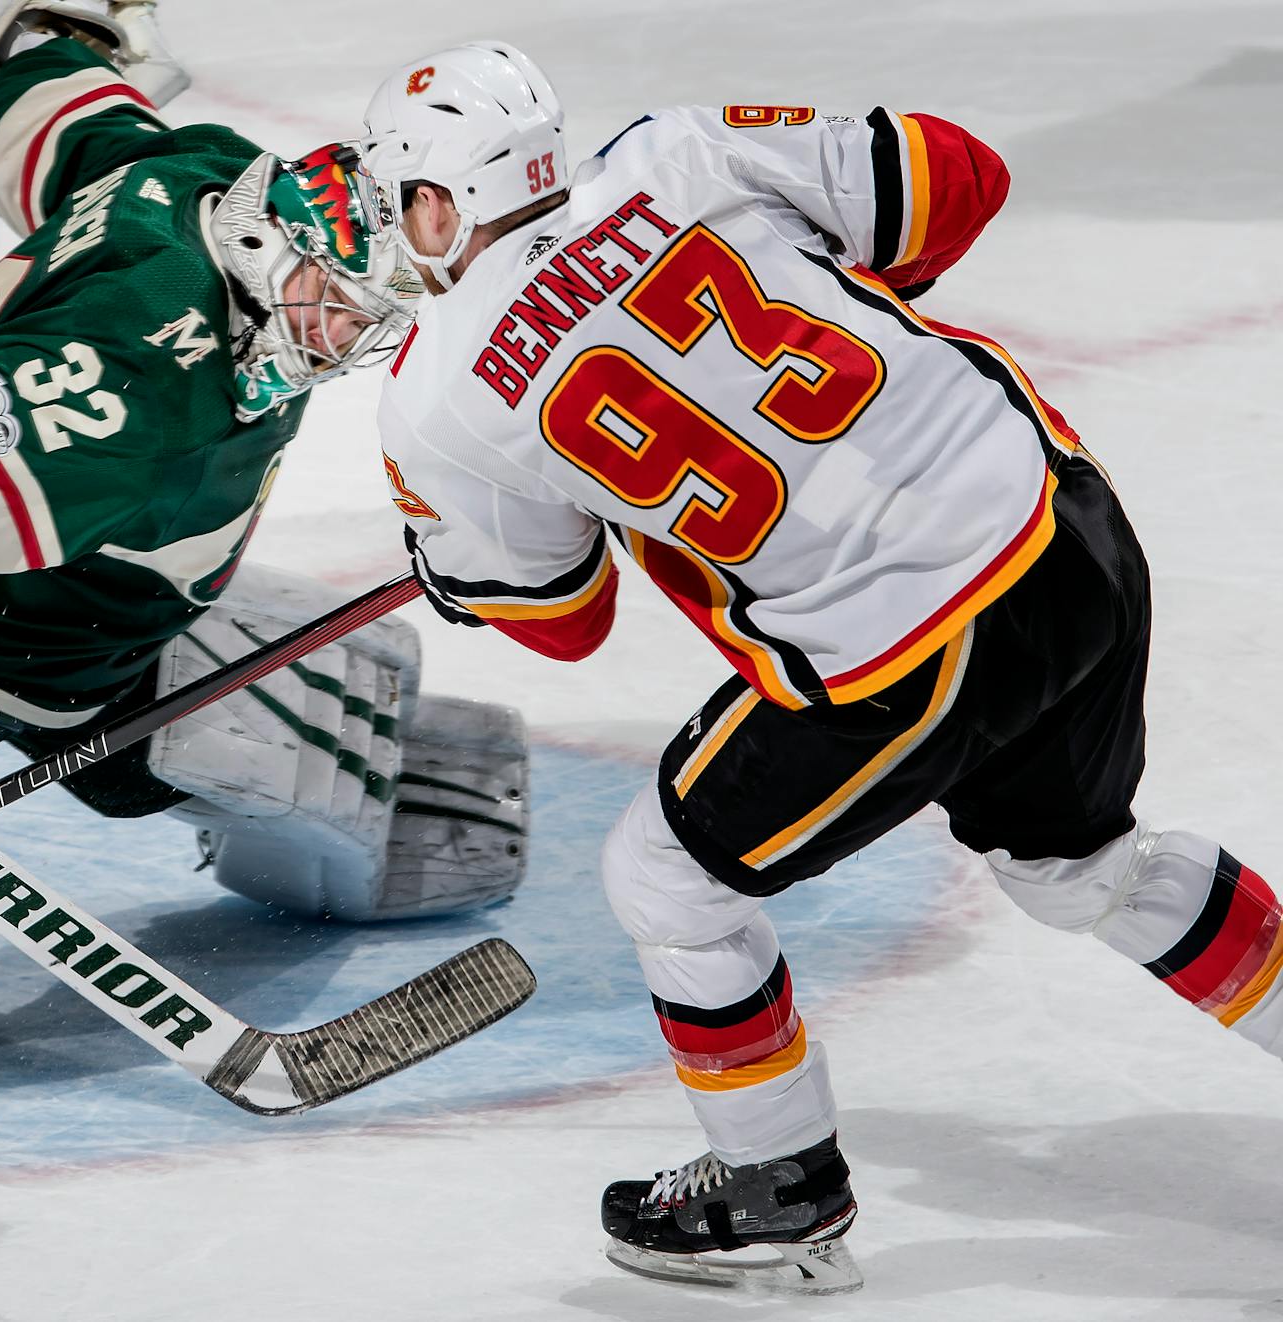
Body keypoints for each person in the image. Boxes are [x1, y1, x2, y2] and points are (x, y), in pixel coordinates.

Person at [356, 41, 1283, 1294]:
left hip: (909, 645)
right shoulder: (674, 151)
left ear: (436, 199)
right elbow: (959, 172)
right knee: (1080, 865)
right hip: (1060, 526)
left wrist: (460, 566)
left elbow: (564, 619)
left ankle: (774, 1187)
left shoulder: (437, 396)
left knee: (665, 877)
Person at [0, 3, 531, 927]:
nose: (343, 344)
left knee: (130, 773)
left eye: (367, 320)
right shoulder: (145, 381)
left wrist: (54, 48)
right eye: (336, 304)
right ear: (275, 238)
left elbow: (67, 119)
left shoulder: (204, 178)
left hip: (88, 622)